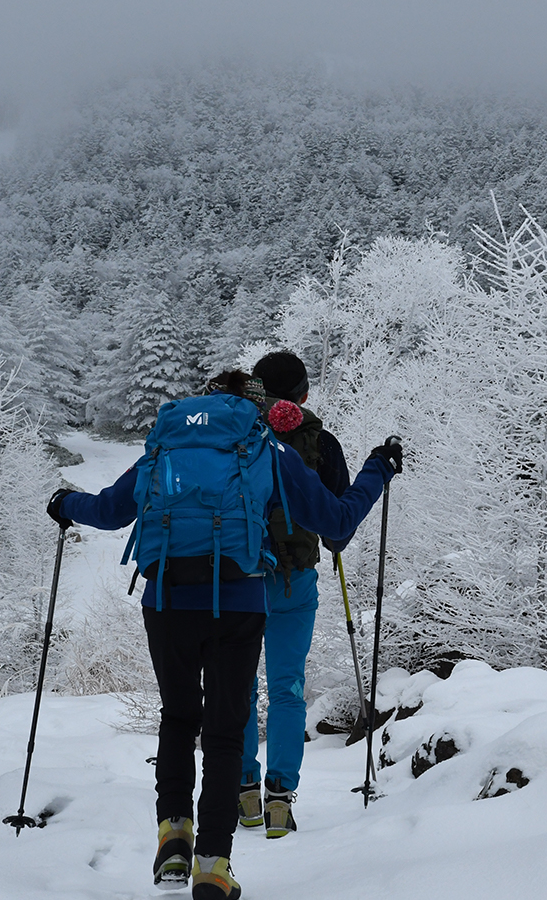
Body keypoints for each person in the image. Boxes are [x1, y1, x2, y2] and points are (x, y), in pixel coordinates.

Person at [46, 371, 403, 900]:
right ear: (254, 409)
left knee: (178, 717)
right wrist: (379, 467)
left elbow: (108, 510)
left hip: (165, 600)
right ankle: (213, 863)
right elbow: (338, 522)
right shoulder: (266, 449)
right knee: (224, 729)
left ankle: (173, 836)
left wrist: (62, 503)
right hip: (238, 600)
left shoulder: (165, 447)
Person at [236, 351, 348, 839]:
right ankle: (280, 800)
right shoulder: (320, 442)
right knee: (287, 688)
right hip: (294, 581)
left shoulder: (235, 436)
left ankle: (243, 793)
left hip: (238, 582)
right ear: (303, 395)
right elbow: (337, 530)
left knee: (236, 685)